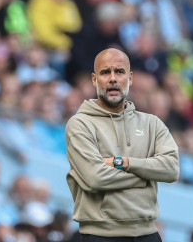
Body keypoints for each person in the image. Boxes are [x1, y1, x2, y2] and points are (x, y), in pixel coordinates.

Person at [65, 48, 179, 241]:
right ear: (94, 80)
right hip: (101, 236)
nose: (112, 79)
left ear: (130, 78)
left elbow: (171, 169)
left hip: (148, 234)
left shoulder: (152, 124)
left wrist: (124, 163)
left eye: (119, 72)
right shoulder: (80, 124)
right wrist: (147, 176)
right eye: (104, 72)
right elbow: (95, 178)